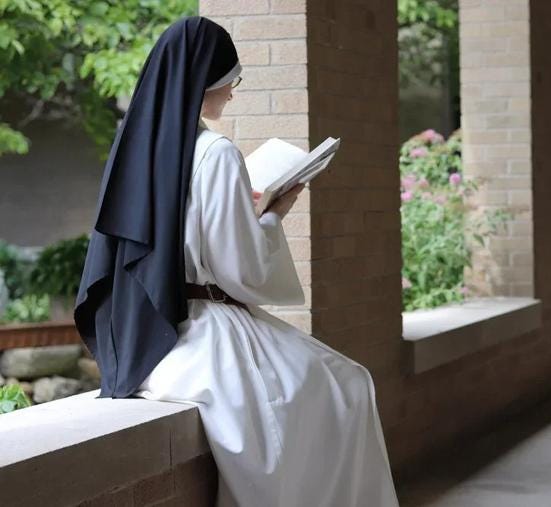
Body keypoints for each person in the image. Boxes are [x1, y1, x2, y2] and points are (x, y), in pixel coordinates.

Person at [73, 16, 399, 507]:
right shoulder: (216, 153)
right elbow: (238, 270)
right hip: (205, 330)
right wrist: (272, 215)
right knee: (348, 384)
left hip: (150, 338)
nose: (232, 93)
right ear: (204, 78)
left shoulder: (137, 149)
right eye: (230, 81)